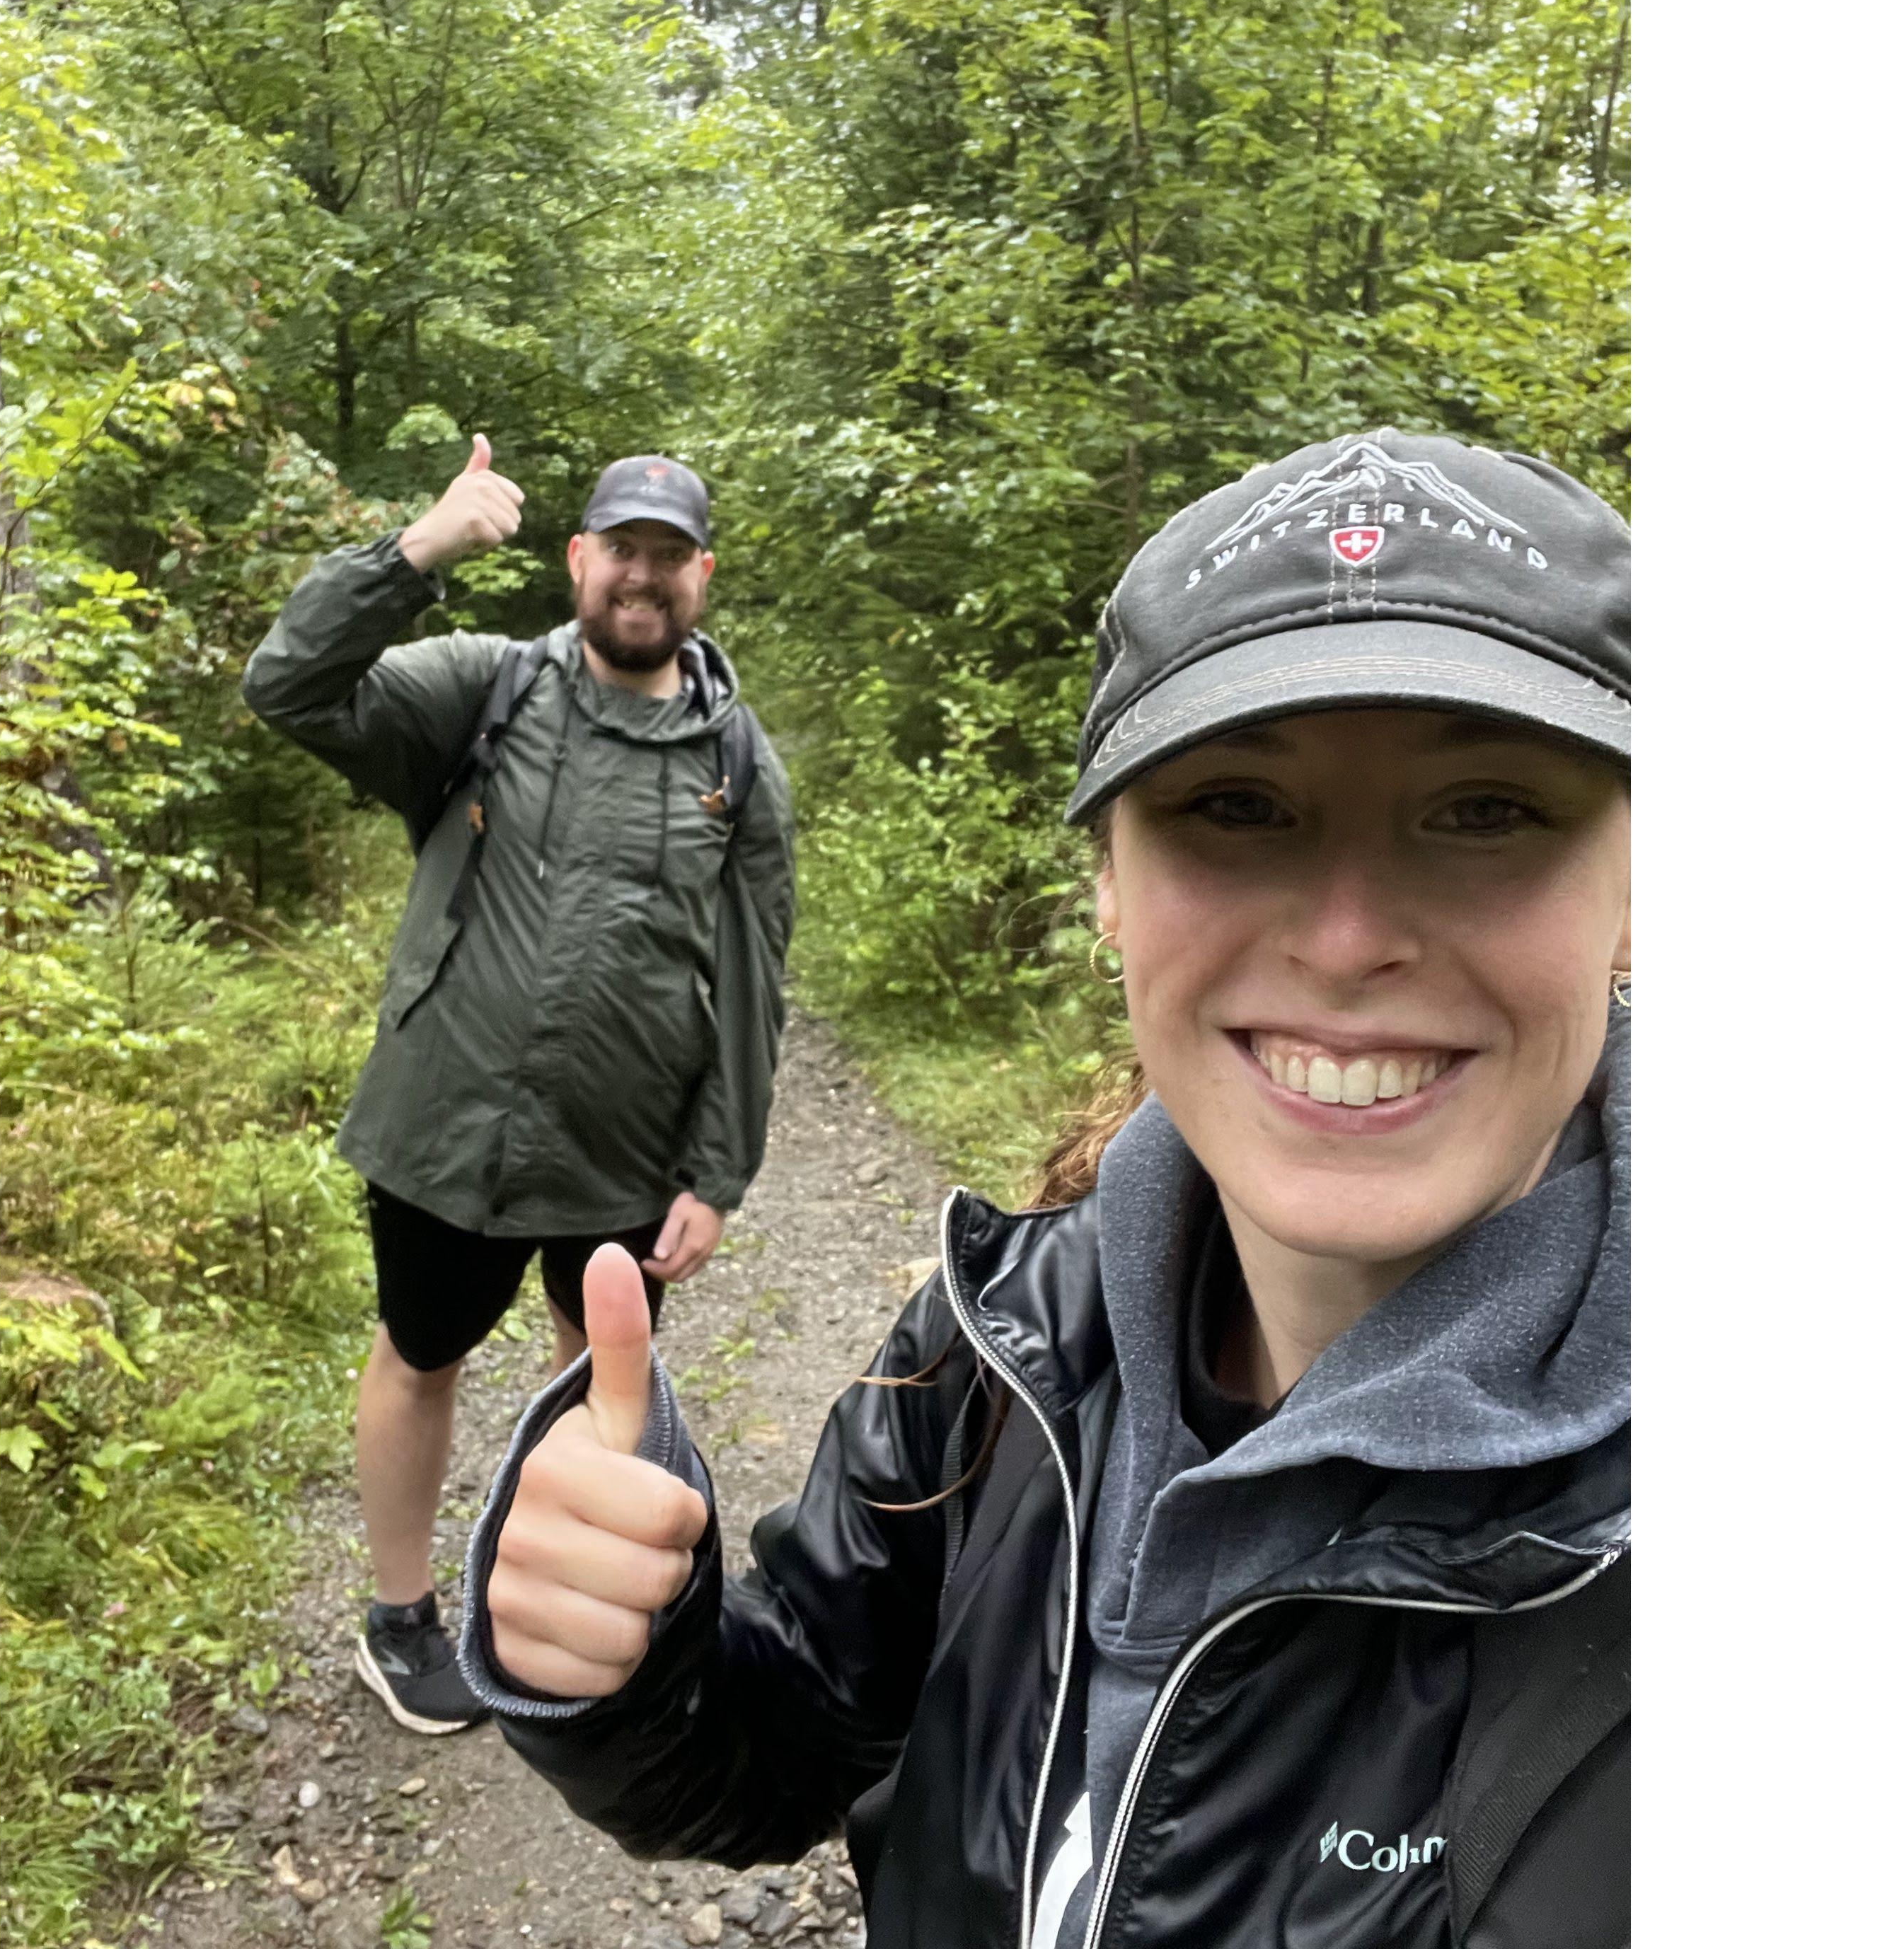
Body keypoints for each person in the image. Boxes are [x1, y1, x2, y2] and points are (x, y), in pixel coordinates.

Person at [452, 429, 1631, 1948]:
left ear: (1633, 884)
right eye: (1239, 808)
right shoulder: (1001, 1337)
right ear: (1109, 888)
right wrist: (623, 1661)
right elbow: (794, 1739)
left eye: (1484, 810)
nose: (1346, 939)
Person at [241, 438, 795, 1737]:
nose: (643, 577)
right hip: (451, 1129)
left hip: (626, 1148)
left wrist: (719, 1172)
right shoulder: (482, 692)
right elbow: (290, 687)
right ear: (579, 560)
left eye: (670, 555)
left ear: (700, 575)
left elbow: (753, 974)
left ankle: (559, 1606)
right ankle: (400, 1618)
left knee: (596, 1367)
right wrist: (417, 551)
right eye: (623, 550)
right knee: (421, 1353)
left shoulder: (736, 759)